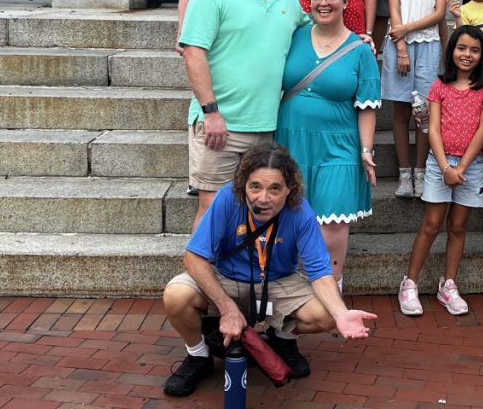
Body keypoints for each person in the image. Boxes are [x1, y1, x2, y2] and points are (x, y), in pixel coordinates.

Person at [161, 143, 377, 397]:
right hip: (225, 278)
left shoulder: (301, 211)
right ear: (243, 187)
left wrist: (340, 313)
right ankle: (198, 356)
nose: (263, 198)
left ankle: (281, 338)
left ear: (289, 189)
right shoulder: (227, 199)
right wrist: (227, 308)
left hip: (277, 282)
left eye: (275, 188)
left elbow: (319, 270)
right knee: (175, 295)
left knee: (328, 314)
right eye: (255, 187)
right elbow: (194, 257)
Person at [179, 0, 305, 229]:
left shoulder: (289, 3)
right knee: (214, 210)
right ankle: (205, 274)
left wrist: (357, 43)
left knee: (260, 211)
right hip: (221, 124)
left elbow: (317, 42)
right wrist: (211, 112)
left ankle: (244, 273)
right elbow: (194, 53)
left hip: (267, 128)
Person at [275, 0, 381, 288]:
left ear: (346, 2)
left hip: (340, 146)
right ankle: (293, 293)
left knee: (332, 225)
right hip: (291, 142)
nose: (323, 3)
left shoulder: (361, 49)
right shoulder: (293, 36)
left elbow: (367, 106)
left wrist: (366, 150)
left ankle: (331, 288)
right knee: (290, 220)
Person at [398, 25, 483, 317]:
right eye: (461, 48)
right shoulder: (438, 86)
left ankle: (449, 284)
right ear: (451, 50)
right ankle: (410, 282)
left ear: (482, 55)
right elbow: (433, 129)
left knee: (458, 226)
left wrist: (462, 167)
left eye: (475, 50)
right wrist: (445, 167)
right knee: (431, 224)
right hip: (438, 163)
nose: (467, 54)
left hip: (472, 165)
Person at [382, 0, 452, 199]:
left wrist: (406, 29)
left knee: (424, 114)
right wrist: (400, 47)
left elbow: (439, 14)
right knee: (400, 111)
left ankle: (422, 171)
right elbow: (393, 9)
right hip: (398, 46)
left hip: (429, 45)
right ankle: (404, 172)